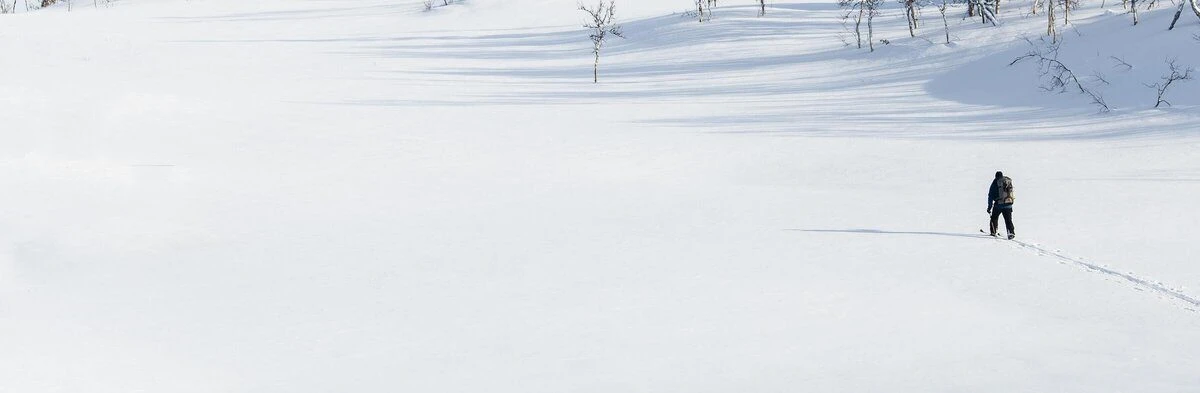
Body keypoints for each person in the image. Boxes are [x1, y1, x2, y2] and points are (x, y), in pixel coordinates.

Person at [988, 171, 1016, 239]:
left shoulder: (995, 183)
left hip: (998, 205)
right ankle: (1011, 233)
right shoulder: (1007, 181)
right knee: (1008, 220)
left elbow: (990, 196)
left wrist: (989, 207)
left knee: (994, 217)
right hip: (1008, 204)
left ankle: (993, 231)